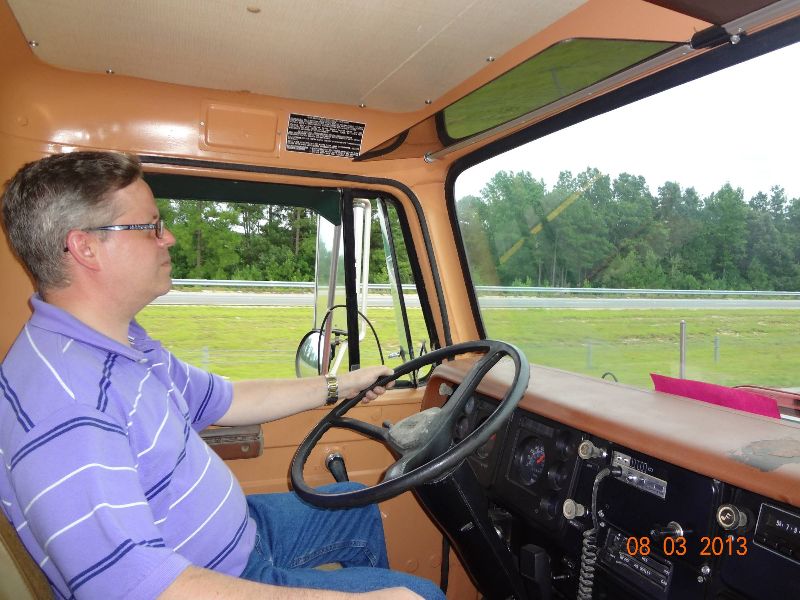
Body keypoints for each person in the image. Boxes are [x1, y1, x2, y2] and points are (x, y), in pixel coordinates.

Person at [0, 151, 446, 600]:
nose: (169, 237)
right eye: (151, 226)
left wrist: (341, 384)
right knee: (421, 596)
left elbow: (225, 399)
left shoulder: (121, 343)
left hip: (239, 536)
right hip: (204, 579)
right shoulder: (68, 405)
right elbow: (135, 589)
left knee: (355, 506)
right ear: (86, 248)